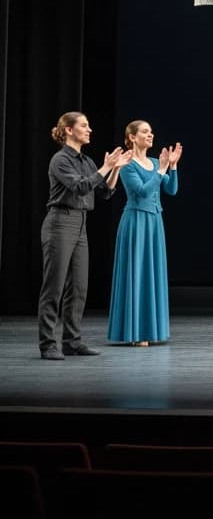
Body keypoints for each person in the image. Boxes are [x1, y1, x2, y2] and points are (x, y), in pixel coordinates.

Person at [38, 111, 131, 360]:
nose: (89, 130)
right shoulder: (60, 160)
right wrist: (106, 166)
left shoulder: (87, 161)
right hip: (60, 222)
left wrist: (116, 170)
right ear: (69, 130)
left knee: (78, 287)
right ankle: (48, 343)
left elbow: (105, 192)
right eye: (84, 125)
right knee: (54, 286)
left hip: (80, 223)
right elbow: (80, 187)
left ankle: (72, 341)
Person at [107, 120, 183, 347]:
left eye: (151, 131)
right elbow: (141, 192)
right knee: (137, 273)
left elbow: (171, 190)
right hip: (136, 221)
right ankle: (135, 332)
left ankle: (151, 329)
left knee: (151, 272)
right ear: (132, 137)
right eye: (144, 132)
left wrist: (172, 167)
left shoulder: (152, 162)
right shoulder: (128, 165)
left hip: (154, 222)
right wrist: (160, 170)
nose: (150, 135)